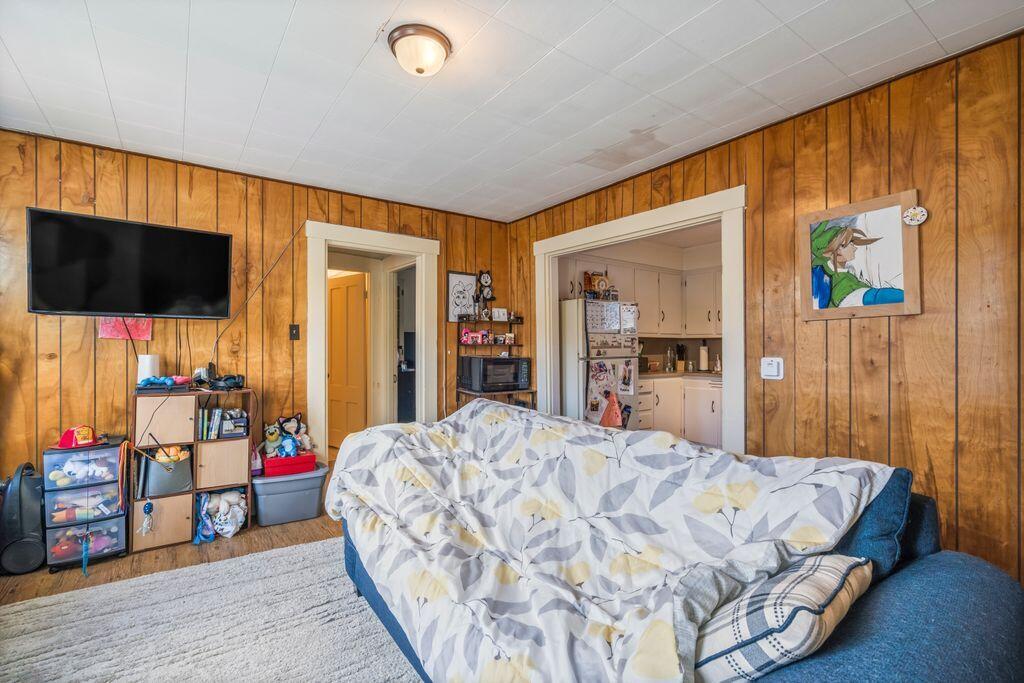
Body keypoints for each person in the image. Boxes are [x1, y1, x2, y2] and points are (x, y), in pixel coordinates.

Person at [809, 218, 904, 309]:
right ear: (835, 252)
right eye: (847, 244)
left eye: (852, 243)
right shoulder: (839, 280)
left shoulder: (836, 274)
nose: (854, 248)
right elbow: (869, 297)